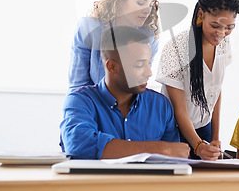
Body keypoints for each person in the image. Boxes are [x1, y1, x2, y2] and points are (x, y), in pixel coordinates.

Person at [60, 25, 189, 159]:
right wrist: (159, 148)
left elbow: (174, 157)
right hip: (99, 181)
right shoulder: (80, 101)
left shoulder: (161, 105)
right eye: (139, 65)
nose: (149, 72)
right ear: (112, 66)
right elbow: (80, 146)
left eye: (148, 63)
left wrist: (165, 150)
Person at [156, 0, 239, 160]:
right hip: (175, 132)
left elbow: (215, 90)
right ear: (201, 15)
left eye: (229, 27)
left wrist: (215, 138)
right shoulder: (176, 48)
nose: (221, 33)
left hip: (204, 128)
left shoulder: (224, 43)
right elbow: (179, 110)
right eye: (215, 26)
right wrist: (197, 145)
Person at [69, 0, 162, 90]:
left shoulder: (149, 34)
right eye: (140, 3)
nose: (147, 11)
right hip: (91, 104)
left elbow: (138, 84)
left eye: (151, 5)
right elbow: (78, 85)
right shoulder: (89, 28)